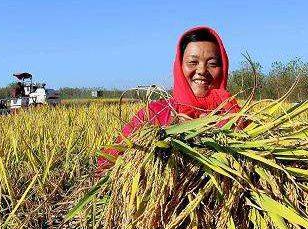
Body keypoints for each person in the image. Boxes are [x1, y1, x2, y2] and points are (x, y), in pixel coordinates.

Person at [97, 26, 240, 171]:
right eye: (192, 62)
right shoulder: (154, 113)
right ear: (179, 66)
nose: (202, 70)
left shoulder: (235, 115)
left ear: (223, 69)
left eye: (212, 64)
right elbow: (106, 163)